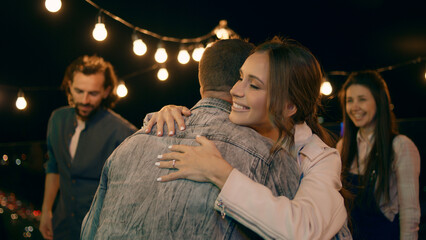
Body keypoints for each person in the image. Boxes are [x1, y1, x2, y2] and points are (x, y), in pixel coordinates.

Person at [80, 39, 301, 239]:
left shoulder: (129, 145)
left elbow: (89, 232)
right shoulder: (269, 156)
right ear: (235, 84)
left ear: (201, 83)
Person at [146, 37, 351, 239]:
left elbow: (304, 230)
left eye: (254, 86)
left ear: (289, 106)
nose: (235, 90)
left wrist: (219, 172)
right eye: (240, 77)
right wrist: (167, 113)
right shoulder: (236, 121)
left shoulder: (320, 159)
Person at [39, 55, 138, 240]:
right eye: (78, 91)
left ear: (106, 91)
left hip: (99, 230)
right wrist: (46, 211)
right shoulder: (57, 119)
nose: (84, 100)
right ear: (69, 87)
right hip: (62, 226)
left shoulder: (123, 131)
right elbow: (53, 167)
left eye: (93, 93)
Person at [336, 70, 420, 239]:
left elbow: (409, 213)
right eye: (349, 101)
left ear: (379, 101)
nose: (355, 107)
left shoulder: (400, 146)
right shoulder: (342, 146)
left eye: (362, 99)